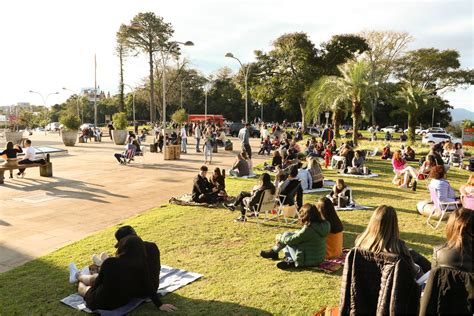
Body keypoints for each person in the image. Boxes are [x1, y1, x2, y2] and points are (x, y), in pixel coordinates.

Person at [69, 235, 176, 312]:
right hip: (122, 301)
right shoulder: (141, 265)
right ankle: (79, 274)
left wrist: (90, 293)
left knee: (83, 288)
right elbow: (148, 285)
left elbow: (96, 282)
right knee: (95, 279)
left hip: (101, 301)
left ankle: (77, 276)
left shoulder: (111, 262)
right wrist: (159, 305)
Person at [355, 205, 431, 278]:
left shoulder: (361, 241)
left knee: (412, 253)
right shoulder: (398, 248)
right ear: (394, 225)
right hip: (396, 286)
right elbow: (411, 273)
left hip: (369, 285)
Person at [259, 203, 330, 270]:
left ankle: (277, 253)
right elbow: (304, 236)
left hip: (307, 261)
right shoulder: (325, 224)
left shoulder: (309, 229)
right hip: (319, 258)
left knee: (286, 239)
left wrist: (279, 237)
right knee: (287, 236)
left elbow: (290, 241)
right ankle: (285, 258)